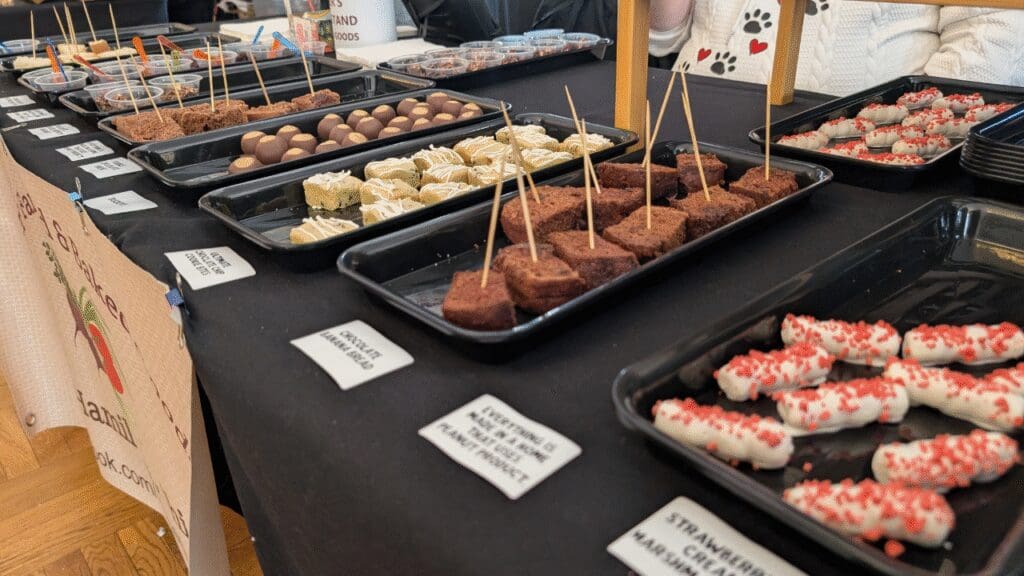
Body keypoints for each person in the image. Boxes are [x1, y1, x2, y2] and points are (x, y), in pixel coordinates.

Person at [648, 1, 1024, 94]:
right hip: (689, 123)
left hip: (853, 158)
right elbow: (663, 36)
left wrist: (916, 127)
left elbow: (995, 32)